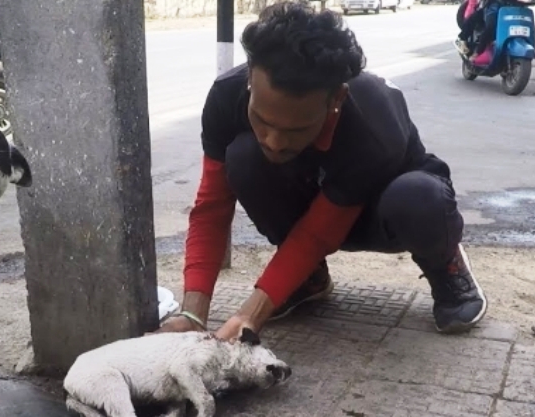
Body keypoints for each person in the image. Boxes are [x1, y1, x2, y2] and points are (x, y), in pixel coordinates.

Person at [155, 1, 487, 340]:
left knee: (418, 198)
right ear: (250, 79)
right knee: (243, 157)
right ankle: (308, 278)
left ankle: (444, 262)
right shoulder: (226, 97)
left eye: (296, 129)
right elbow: (211, 209)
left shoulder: (373, 122)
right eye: (262, 120)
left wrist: (252, 313)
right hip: (316, 194)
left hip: (381, 211)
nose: (274, 140)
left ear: (336, 100)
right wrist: (192, 315)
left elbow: (318, 233)